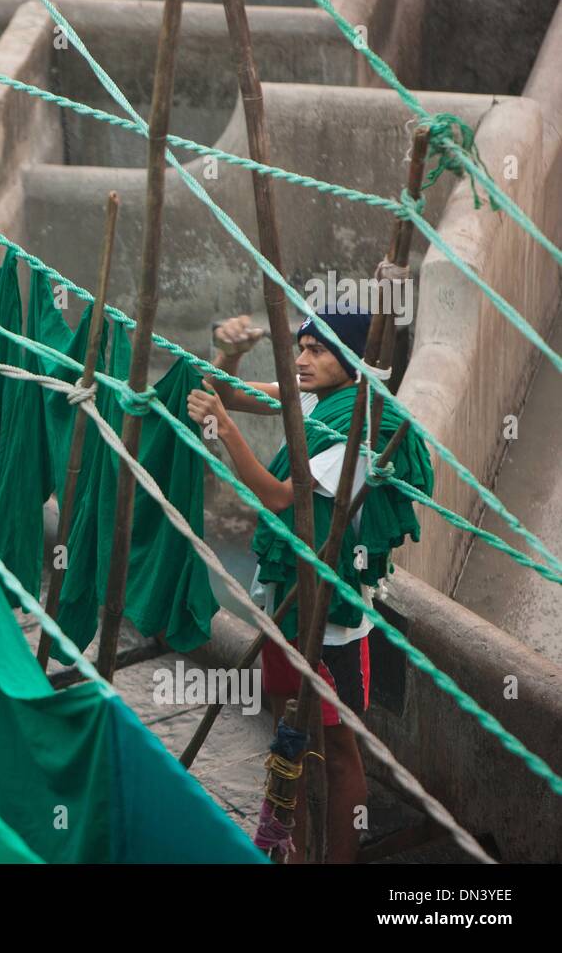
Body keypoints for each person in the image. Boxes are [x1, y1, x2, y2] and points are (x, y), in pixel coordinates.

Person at [185, 305, 433, 863]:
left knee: (340, 750)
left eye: (317, 350)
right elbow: (228, 390)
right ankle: (288, 853)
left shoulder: (359, 429)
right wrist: (229, 352)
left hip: (332, 621)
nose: (301, 359)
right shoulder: (318, 403)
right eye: (300, 348)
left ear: (349, 359)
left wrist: (225, 430)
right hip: (287, 600)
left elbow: (279, 496)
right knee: (287, 735)